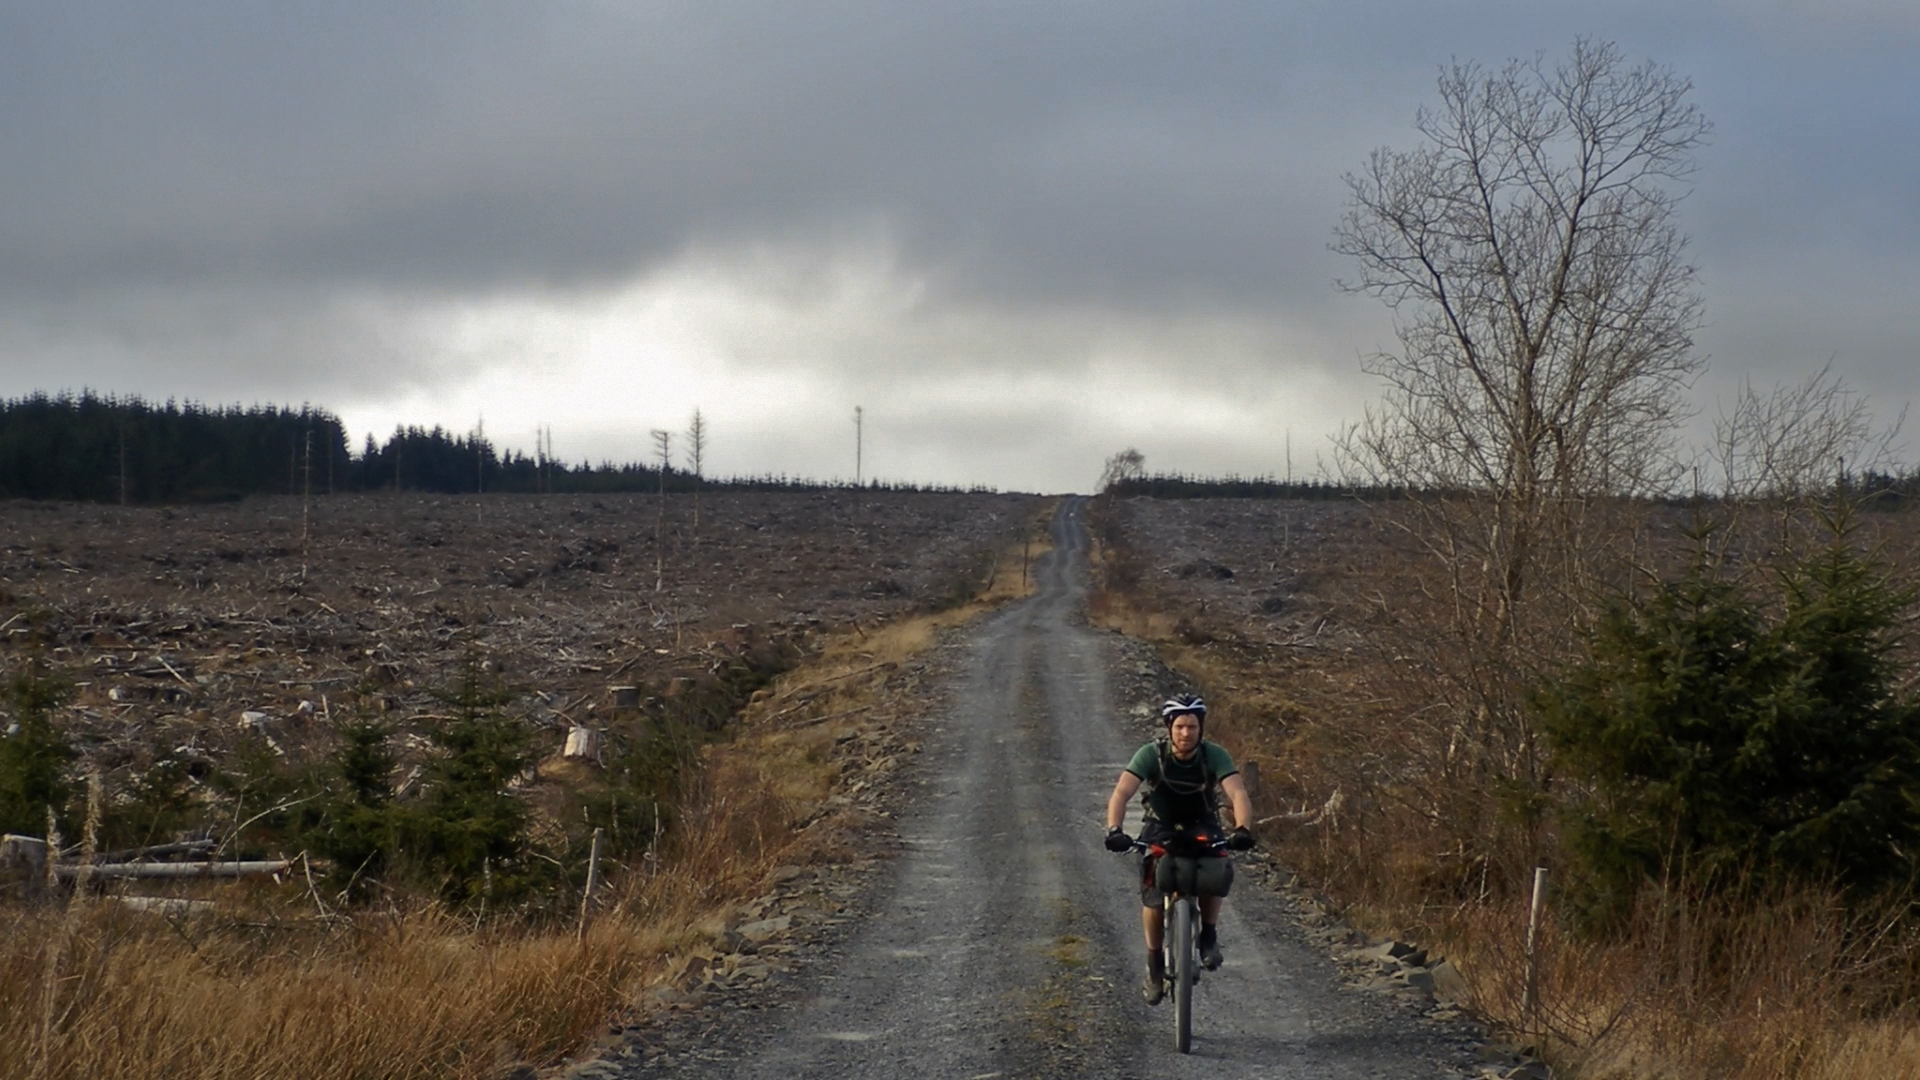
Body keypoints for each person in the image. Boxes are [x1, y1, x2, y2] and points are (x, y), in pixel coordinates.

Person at [1102, 693, 1255, 1004]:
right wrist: (1114, 829)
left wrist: (1242, 829)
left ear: (1201, 729)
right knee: (1154, 894)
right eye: (1181, 727)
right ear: (1169, 727)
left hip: (1202, 823)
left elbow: (1237, 792)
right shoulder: (1151, 755)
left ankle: (1209, 934)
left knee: (1216, 864)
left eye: (1193, 727)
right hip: (1161, 825)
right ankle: (1155, 963)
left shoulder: (1214, 755)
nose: (1186, 734)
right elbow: (1122, 792)